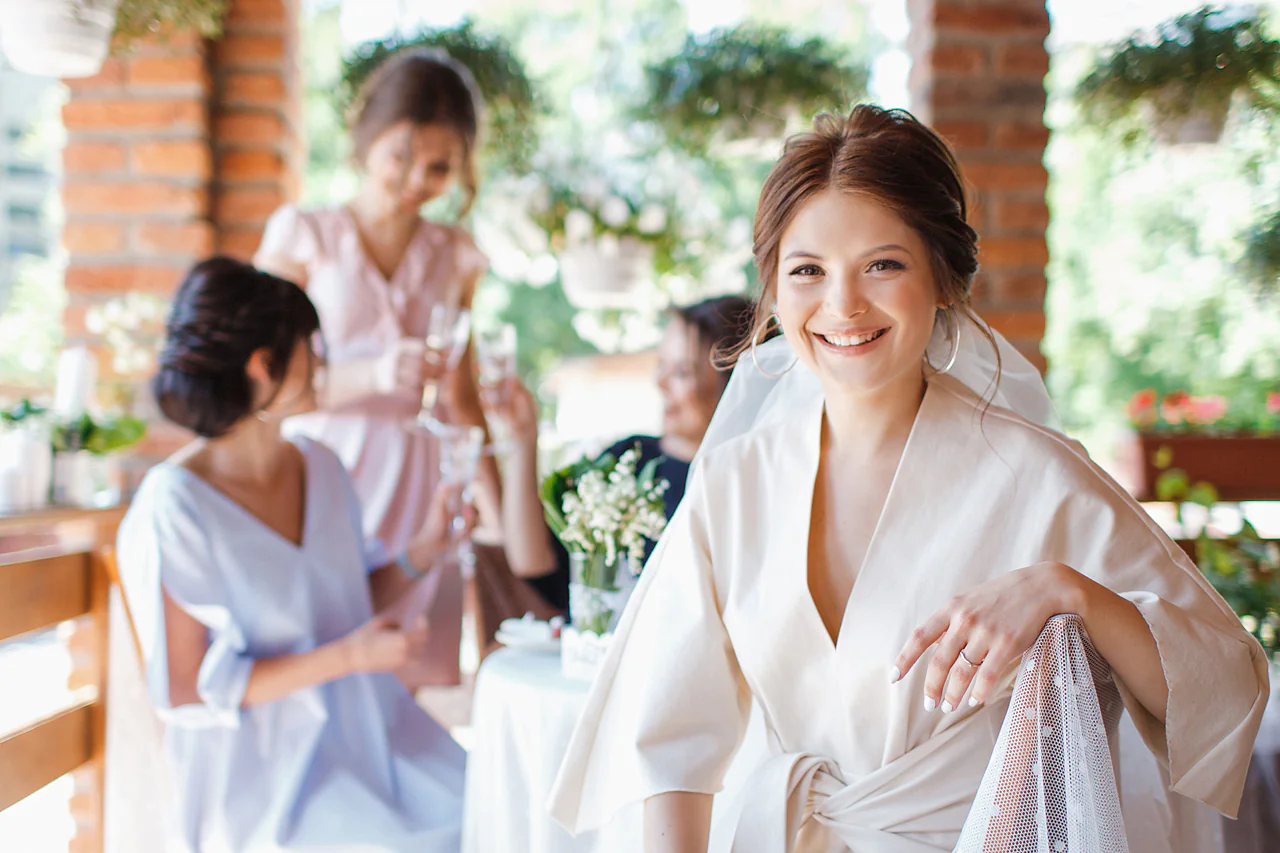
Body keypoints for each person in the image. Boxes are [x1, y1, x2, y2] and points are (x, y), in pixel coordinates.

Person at [548, 106, 1269, 852]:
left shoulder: (1038, 476)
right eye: (807, 272)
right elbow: (670, 735)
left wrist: (1073, 592)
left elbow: (1228, 689)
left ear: (944, 279)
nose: (843, 305)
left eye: (883, 264)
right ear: (773, 290)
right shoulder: (734, 480)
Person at [116, 259, 471, 852]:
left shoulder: (322, 466)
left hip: (371, 735)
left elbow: (343, 604)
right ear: (263, 364)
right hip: (268, 776)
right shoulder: (174, 507)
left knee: (505, 814)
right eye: (311, 344)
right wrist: (350, 657)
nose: (322, 360)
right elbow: (185, 688)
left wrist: (424, 549)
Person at [253, 49, 496, 686]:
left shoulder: (455, 255)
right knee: (324, 660)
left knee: (409, 677)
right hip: (323, 474)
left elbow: (464, 401)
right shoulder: (305, 235)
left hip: (422, 483)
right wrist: (372, 375)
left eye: (439, 167)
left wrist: (499, 520)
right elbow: (264, 388)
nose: (417, 179)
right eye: (401, 157)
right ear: (366, 142)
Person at [487, 295, 755, 614]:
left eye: (682, 372)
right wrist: (523, 437)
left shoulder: (748, 483)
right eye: (661, 366)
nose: (661, 383)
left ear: (735, 382)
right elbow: (533, 561)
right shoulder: (626, 458)